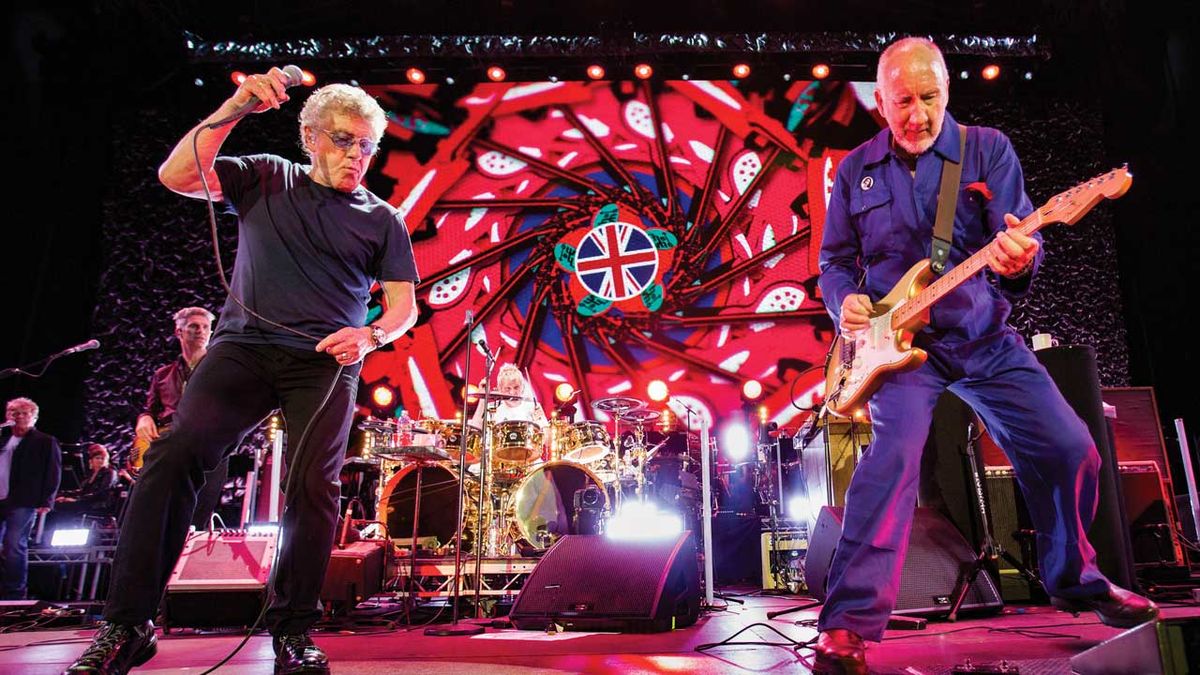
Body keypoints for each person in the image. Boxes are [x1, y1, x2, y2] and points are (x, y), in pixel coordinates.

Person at [812, 37, 1156, 673]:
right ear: (879, 103)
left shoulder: (986, 149)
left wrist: (1020, 257)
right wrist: (844, 304)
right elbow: (834, 262)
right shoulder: (855, 168)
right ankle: (846, 627)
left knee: (1070, 447)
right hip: (900, 347)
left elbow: (1017, 240)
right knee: (888, 465)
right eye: (903, 102)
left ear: (947, 91)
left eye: (930, 97)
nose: (918, 114)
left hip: (982, 336)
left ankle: (1078, 579)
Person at [65, 70, 419, 675]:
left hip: (324, 362)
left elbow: (403, 306)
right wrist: (236, 105)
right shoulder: (265, 175)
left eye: (367, 144)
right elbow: (177, 176)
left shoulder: (382, 218)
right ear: (309, 137)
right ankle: (128, 624)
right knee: (173, 457)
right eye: (342, 140)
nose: (356, 155)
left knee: (314, 487)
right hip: (244, 348)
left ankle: (293, 632)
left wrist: (370, 334)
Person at [131, 306, 230, 529]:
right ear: (179, 332)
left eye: (206, 327)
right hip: (168, 446)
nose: (201, 331)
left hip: (208, 447)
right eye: (194, 326)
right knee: (158, 515)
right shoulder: (162, 374)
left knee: (196, 516)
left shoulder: (221, 369)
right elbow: (151, 409)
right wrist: (144, 418)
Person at [0, 397, 62, 599]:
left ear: (33, 417)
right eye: (13, 412)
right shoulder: (3, 437)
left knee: (14, 544)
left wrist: (47, 500)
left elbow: (53, 472)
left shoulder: (44, 441)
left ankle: (15, 592)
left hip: (22, 501)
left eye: (23, 413)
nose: (17, 417)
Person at [56, 444, 119, 520]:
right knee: (57, 500)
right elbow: (83, 491)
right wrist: (64, 495)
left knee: (61, 506)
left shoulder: (110, 473)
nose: (100, 460)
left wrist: (77, 500)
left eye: (103, 458)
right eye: (97, 458)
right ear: (91, 461)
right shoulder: (92, 473)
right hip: (88, 501)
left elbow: (102, 494)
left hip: (99, 503)